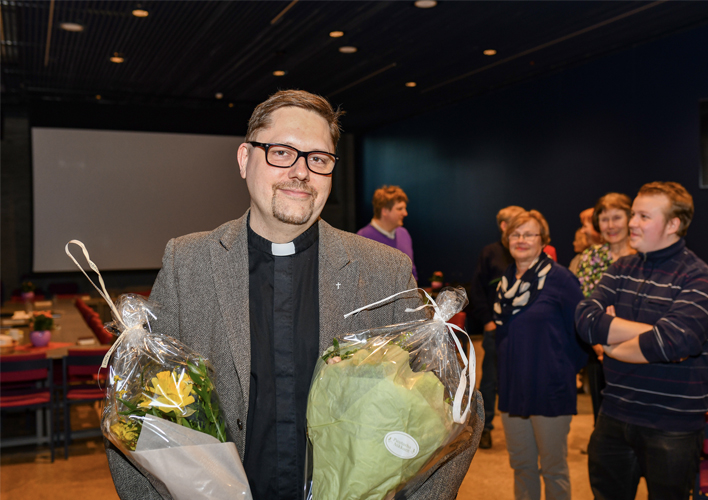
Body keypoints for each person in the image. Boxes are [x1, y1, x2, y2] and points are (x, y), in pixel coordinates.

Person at [106, 90, 483, 500]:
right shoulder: (187, 262)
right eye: (282, 152)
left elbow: (452, 410)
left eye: (318, 159)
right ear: (245, 159)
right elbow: (133, 410)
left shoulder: (382, 269)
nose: (302, 172)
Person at [575, 181, 708, 500]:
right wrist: (650, 332)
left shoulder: (699, 278)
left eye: (643, 216)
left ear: (673, 224)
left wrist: (612, 340)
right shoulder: (621, 267)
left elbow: (674, 342)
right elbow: (585, 320)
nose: (631, 223)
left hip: (673, 424)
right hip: (613, 415)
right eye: (633, 215)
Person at [493, 210, 588, 500]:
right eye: (515, 234)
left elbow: (582, 333)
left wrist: (559, 369)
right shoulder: (506, 282)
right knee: (522, 466)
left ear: (543, 240)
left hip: (550, 390)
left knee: (553, 468)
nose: (521, 240)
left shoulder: (561, 279)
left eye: (529, 234)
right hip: (512, 389)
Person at [574, 193, 636, 421]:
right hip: (599, 352)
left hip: (641, 348)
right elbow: (582, 304)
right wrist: (599, 346)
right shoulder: (590, 257)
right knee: (603, 418)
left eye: (616, 218)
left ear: (631, 218)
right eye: (604, 219)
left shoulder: (645, 256)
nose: (610, 226)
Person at [468, 204, 524, 449]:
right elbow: (477, 290)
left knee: (521, 379)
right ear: (503, 226)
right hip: (495, 330)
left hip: (523, 332)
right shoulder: (490, 253)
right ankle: (485, 428)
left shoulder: (526, 252)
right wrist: (487, 322)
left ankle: (522, 430)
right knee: (490, 380)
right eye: (516, 222)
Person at [357, 185, 417, 280]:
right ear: (384, 211)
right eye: (399, 209)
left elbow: (412, 273)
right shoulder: (363, 238)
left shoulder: (404, 234)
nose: (405, 213)